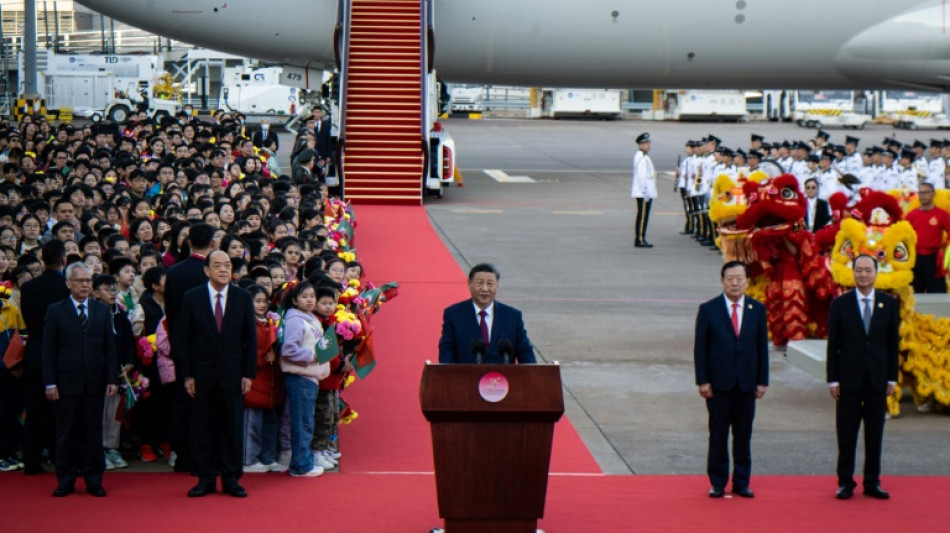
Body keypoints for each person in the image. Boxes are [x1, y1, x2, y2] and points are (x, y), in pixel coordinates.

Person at [176, 251, 257, 497]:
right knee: (203, 427)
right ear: (206, 270)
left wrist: (248, 374)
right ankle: (206, 478)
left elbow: (250, 339)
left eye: (227, 265)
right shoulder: (192, 297)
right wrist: (187, 375)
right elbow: (184, 340)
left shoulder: (243, 297)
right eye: (217, 265)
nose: (223, 269)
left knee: (232, 427)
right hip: (202, 375)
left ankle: (231, 478)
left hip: (233, 375)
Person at [693, 261, 768, 498]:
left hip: (746, 384)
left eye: (739, 279)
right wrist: (702, 381)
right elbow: (700, 348)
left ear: (747, 281)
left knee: (743, 435)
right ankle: (717, 482)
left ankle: (741, 482)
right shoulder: (709, 309)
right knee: (718, 434)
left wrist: (762, 380)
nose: (735, 283)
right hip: (718, 384)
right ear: (722, 281)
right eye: (730, 279)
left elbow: (761, 348)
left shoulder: (757, 309)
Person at [826, 254, 899, 500]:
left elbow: (892, 344)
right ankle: (845, 482)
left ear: (876, 273)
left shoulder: (888, 304)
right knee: (846, 434)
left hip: (877, 380)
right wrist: (832, 379)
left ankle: (872, 482)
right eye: (859, 270)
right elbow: (833, 344)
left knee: (874, 434)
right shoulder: (840, 304)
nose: (863, 275)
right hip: (848, 380)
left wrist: (892, 378)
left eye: (868, 270)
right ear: (853, 272)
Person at [42, 262, 119, 497]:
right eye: (80, 281)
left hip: (95, 382)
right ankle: (65, 480)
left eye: (88, 281)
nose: (85, 285)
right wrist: (50, 382)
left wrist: (112, 378)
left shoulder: (101, 310)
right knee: (66, 434)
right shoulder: (56, 310)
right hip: (66, 383)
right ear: (68, 283)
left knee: (93, 433)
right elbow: (48, 350)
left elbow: (109, 348)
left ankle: (93, 479)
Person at [163, 222, 214, 473]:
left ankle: (181, 454)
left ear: (188, 242)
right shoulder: (212, 272)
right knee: (206, 401)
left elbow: (169, 312)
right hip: (208, 347)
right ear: (213, 244)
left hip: (181, 343)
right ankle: (201, 455)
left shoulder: (174, 271)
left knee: (183, 398)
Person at [20, 240, 69, 475]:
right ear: (63, 260)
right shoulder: (67, 288)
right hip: (63, 353)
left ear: (42, 260)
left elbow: (28, 320)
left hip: (36, 350)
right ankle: (62, 457)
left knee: (35, 408)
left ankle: (31, 461)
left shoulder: (28, 288)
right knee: (64, 409)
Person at [279, 281, 329, 477]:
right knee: (303, 423)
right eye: (304, 296)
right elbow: (289, 350)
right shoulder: (295, 320)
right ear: (294, 300)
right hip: (301, 377)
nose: (310, 300)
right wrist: (313, 356)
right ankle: (301, 466)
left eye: (312, 296)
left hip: (310, 378)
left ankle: (301, 461)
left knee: (305, 421)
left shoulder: (310, 318)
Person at [438, 263, 535, 364]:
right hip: (466, 378)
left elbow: (526, 353)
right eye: (480, 283)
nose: (484, 289)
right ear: (469, 283)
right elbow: (447, 352)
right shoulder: (454, 315)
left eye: (490, 284)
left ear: (497, 285)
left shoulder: (513, 316)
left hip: (503, 379)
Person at [905, 183, 950, 293]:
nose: (923, 196)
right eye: (920, 193)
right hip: (915, 259)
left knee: (937, 293)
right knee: (915, 293)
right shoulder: (911, 215)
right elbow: (904, 237)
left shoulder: (942, 214)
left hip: (934, 260)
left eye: (926, 192)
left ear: (933, 194)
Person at [631, 132, 657, 248]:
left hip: (645, 192)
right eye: (646, 143)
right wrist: (646, 192)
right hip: (643, 193)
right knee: (642, 216)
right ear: (641, 144)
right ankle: (640, 239)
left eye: (649, 143)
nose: (649, 145)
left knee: (643, 216)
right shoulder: (641, 157)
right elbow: (642, 177)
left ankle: (641, 237)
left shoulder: (644, 156)